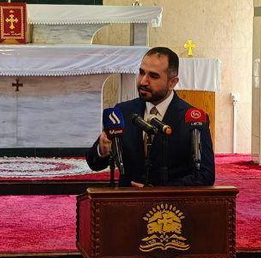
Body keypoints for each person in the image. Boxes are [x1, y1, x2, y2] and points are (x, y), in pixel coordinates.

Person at [86, 47, 215, 186]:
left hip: (170, 200)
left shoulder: (192, 119)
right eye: (141, 73)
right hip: (128, 198)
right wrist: (102, 150)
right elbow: (94, 163)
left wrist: (157, 191)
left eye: (153, 76)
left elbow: (205, 175)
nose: (143, 81)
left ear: (172, 83)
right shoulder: (123, 111)